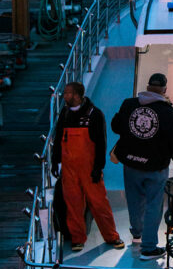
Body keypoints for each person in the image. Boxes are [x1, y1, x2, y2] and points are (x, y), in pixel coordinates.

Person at [110, 72, 173, 261]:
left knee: (134, 201)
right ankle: (149, 248)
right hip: (156, 167)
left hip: (131, 163)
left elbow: (116, 126)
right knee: (154, 205)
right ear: (164, 89)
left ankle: (137, 234)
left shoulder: (129, 104)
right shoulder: (169, 113)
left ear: (147, 86)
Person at [51, 82, 125, 253]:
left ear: (77, 95)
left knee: (99, 204)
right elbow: (58, 140)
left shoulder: (95, 114)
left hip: (89, 169)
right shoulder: (65, 113)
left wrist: (98, 167)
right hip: (69, 170)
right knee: (73, 205)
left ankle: (112, 236)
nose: (64, 96)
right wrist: (56, 161)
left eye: (68, 93)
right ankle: (77, 238)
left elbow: (101, 143)